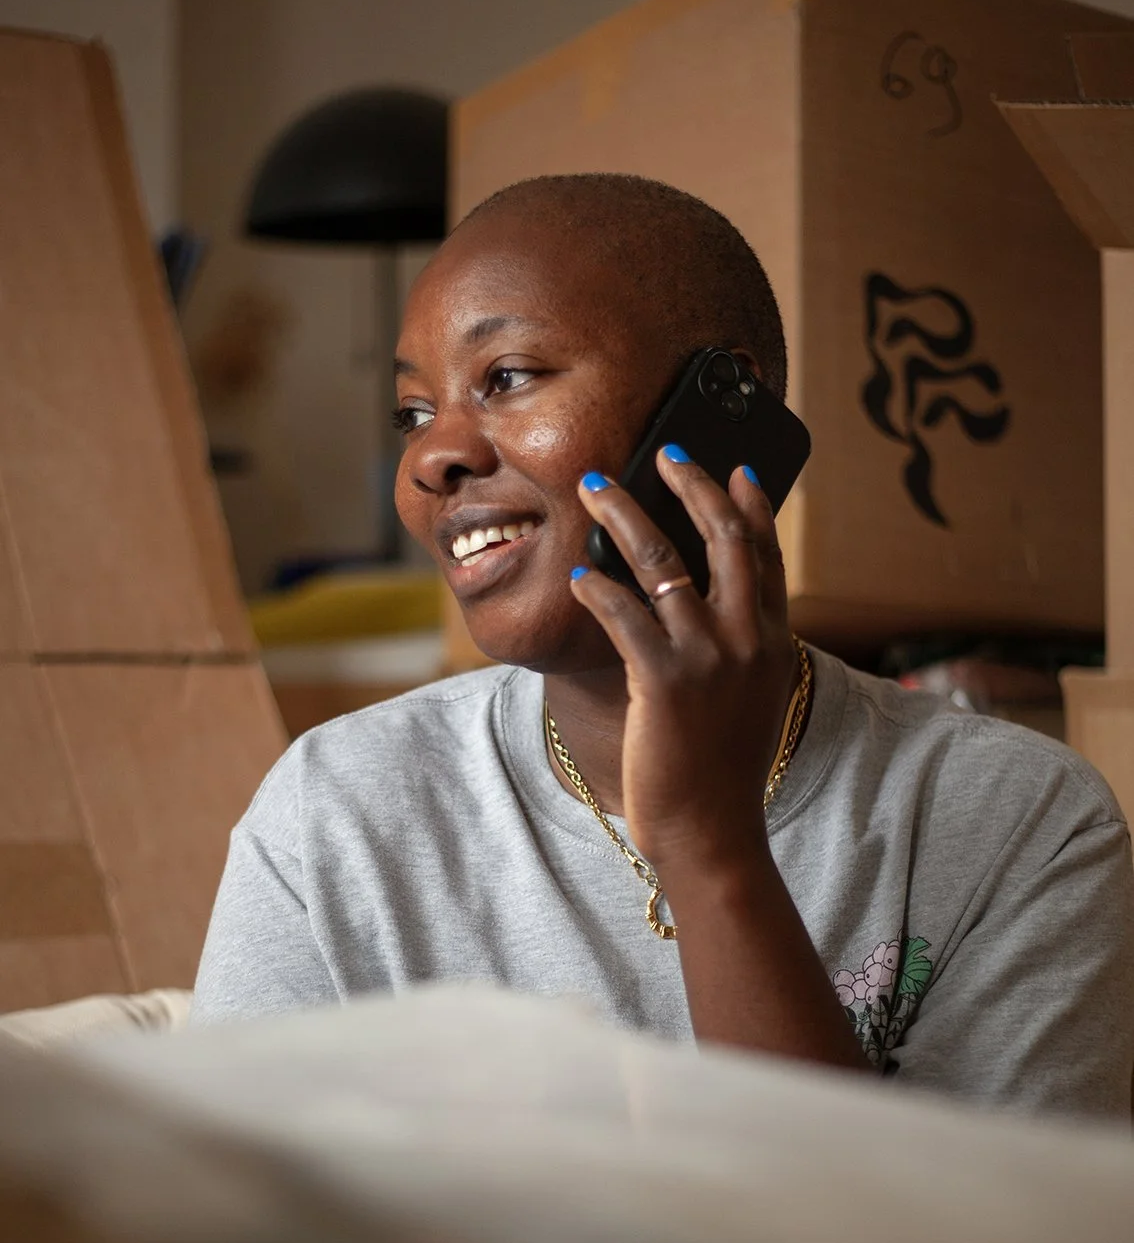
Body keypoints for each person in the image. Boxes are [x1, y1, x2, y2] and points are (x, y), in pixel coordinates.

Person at [194, 173, 1134, 1119]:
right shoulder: (336, 812)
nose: (431, 456)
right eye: (412, 412)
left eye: (508, 377)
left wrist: (708, 843)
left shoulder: (1022, 826)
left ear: (723, 409)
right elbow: (211, 1234)